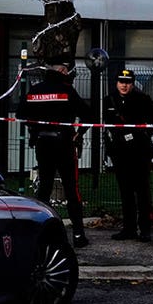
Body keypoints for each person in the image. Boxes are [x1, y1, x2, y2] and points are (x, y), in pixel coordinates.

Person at [16, 54, 94, 248]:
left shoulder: (35, 91)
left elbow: (20, 114)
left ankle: (40, 232)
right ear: (61, 70)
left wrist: (34, 131)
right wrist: (79, 132)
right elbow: (87, 114)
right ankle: (78, 234)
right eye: (66, 70)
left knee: (44, 188)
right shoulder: (67, 90)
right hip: (64, 144)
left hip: (42, 144)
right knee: (71, 189)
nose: (67, 74)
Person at [103, 69, 153, 242]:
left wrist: (142, 136)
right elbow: (104, 122)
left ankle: (145, 229)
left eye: (127, 82)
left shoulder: (143, 99)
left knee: (142, 191)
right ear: (116, 83)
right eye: (121, 82)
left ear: (132, 83)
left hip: (139, 151)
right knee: (125, 191)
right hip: (120, 152)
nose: (124, 85)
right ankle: (129, 228)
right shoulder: (109, 100)